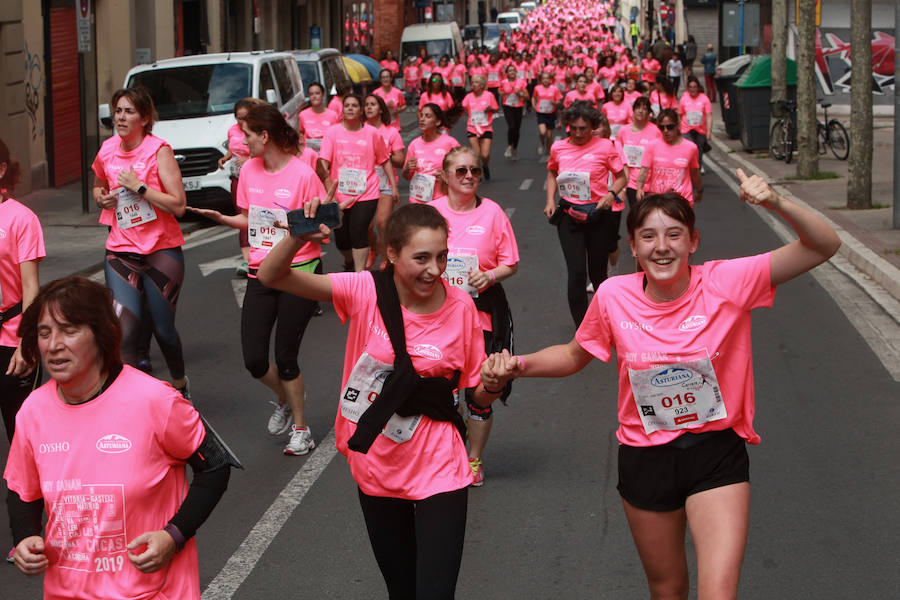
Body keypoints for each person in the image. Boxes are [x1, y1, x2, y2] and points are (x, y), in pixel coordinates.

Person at [480, 175, 842, 600]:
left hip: (715, 454)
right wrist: (518, 366)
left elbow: (824, 245)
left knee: (718, 593)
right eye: (648, 236)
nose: (662, 246)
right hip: (645, 459)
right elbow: (575, 355)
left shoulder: (728, 281)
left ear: (693, 241)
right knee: (668, 590)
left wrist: (777, 202)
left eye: (674, 234)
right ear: (633, 247)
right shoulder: (614, 295)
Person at [258, 203, 499, 599]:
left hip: (440, 461)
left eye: (442, 257)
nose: (435, 270)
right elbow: (272, 276)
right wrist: (297, 238)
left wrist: (493, 383)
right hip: (378, 461)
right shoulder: (365, 290)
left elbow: (476, 394)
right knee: (401, 591)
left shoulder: (462, 307)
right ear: (391, 253)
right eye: (421, 258)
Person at [5, 276, 235, 599]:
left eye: (69, 330)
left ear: (100, 335)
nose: (53, 345)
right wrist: (25, 536)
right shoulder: (33, 411)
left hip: (151, 592)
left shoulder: (155, 400)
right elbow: (21, 489)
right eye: (44, 333)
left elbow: (215, 465)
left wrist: (173, 535)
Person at [187, 103, 326, 455]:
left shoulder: (302, 174)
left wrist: (295, 227)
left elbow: (323, 232)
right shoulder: (249, 170)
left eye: (247, 134)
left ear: (265, 136)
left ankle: (302, 429)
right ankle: (286, 397)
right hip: (260, 272)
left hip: (299, 271)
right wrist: (221, 218)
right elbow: (250, 219)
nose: (242, 141)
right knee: (254, 360)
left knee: (286, 356)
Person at [91, 87, 189, 398]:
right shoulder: (107, 149)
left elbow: (179, 205)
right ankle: (131, 400)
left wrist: (141, 188)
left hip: (161, 251)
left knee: (164, 330)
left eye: (129, 112)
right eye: (118, 111)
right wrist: (102, 198)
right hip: (120, 251)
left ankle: (180, 383)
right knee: (124, 332)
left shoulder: (159, 151)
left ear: (144, 119)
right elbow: (98, 184)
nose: (121, 117)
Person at [431, 147, 519, 487]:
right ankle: (450, 448)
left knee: (481, 391)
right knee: (445, 390)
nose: (469, 176)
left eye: (475, 171)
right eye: (461, 170)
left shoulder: (493, 213)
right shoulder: (431, 213)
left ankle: (474, 459)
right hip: (438, 314)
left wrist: (490, 275)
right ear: (445, 176)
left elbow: (511, 262)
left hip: (483, 313)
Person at [544, 103, 626, 326]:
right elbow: (552, 172)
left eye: (584, 128)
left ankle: (606, 319)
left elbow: (622, 177)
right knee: (577, 272)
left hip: (598, 216)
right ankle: (582, 327)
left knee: (598, 274)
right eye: (574, 128)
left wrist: (610, 194)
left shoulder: (605, 147)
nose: (579, 133)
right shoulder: (559, 148)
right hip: (569, 215)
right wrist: (550, 200)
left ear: (593, 127)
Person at [0, 137, 44, 486]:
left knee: (19, 435)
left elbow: (30, 286)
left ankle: (26, 506)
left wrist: (26, 342)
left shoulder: (21, 218)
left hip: (9, 336)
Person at [318, 93, 395, 272]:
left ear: (361, 111)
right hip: (339, 194)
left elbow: (384, 160)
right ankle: (349, 262)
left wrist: (393, 186)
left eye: (354, 105)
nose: (350, 108)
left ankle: (359, 274)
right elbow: (323, 164)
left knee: (359, 230)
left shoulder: (372, 133)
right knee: (342, 238)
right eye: (347, 105)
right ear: (342, 110)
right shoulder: (332, 133)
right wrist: (328, 190)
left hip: (367, 192)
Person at [218, 97, 266, 277]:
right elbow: (233, 148)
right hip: (237, 177)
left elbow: (265, 151)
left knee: (257, 216)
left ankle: (263, 253)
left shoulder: (257, 129)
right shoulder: (232, 130)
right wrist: (225, 158)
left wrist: (249, 159)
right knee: (242, 217)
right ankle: (247, 260)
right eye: (239, 117)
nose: (242, 121)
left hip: (256, 178)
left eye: (245, 117)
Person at [364, 93, 404, 263]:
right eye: (366, 104)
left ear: (381, 109)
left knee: (382, 222)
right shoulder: (360, 131)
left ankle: (385, 258)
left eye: (372, 104)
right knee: (366, 225)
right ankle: (373, 248)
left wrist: (384, 155)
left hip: (385, 182)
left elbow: (400, 161)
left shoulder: (391, 132)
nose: (368, 107)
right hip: (364, 183)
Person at [637, 108, 702, 206]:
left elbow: (694, 172)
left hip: (682, 200)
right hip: (658, 200)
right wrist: (639, 188)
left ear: (678, 125)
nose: (666, 131)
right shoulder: (652, 146)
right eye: (662, 128)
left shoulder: (691, 148)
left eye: (670, 127)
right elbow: (644, 170)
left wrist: (699, 189)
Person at [403, 103, 460, 205]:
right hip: (417, 200)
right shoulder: (414, 144)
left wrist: (447, 176)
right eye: (421, 115)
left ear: (438, 122)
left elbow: (463, 170)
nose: (422, 119)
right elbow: (406, 176)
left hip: (441, 199)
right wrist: (407, 169)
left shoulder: (450, 143)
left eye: (427, 116)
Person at [615, 96, 662, 208]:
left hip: (649, 180)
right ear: (633, 110)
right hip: (630, 180)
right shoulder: (623, 131)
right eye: (638, 108)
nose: (640, 111)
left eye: (644, 109)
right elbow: (618, 155)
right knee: (635, 211)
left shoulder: (655, 131)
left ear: (649, 112)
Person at [461, 75, 500, 180]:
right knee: (476, 154)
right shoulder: (468, 97)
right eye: (472, 82)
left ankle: (485, 165)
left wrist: (490, 109)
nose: (473, 85)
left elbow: (496, 109)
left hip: (486, 128)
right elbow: (463, 108)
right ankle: (479, 173)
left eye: (476, 82)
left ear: (482, 85)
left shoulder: (489, 95)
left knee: (485, 155)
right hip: (472, 127)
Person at [679, 75, 713, 173]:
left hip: (700, 130)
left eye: (694, 87)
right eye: (690, 87)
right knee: (690, 149)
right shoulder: (684, 99)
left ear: (698, 87)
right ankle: (688, 169)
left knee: (699, 150)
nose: (692, 89)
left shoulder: (704, 99)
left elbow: (709, 116)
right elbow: (680, 115)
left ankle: (697, 169)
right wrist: (679, 129)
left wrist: (709, 132)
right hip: (686, 130)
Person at [299, 82, 340, 153]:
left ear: (323, 95)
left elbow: (337, 136)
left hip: (327, 153)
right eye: (311, 94)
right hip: (310, 154)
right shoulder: (303, 115)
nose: (314, 96)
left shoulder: (333, 115)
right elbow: (301, 133)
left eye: (317, 93)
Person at [500, 64, 529, 161]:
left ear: (516, 72)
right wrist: (505, 92)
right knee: (511, 126)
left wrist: (520, 93)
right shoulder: (503, 82)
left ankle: (515, 148)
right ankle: (509, 146)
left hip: (518, 107)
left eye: (513, 70)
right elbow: (500, 92)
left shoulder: (521, 82)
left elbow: (527, 97)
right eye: (510, 71)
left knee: (517, 129)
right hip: (507, 106)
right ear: (506, 73)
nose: (512, 72)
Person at [532, 71, 563, 160]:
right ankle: (542, 142)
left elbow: (559, 102)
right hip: (541, 113)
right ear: (541, 80)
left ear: (550, 80)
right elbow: (533, 97)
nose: (545, 80)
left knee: (549, 136)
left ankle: (548, 153)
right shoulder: (537, 88)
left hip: (551, 114)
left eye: (547, 78)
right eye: (544, 78)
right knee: (542, 132)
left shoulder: (555, 89)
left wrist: (554, 103)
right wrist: (534, 106)